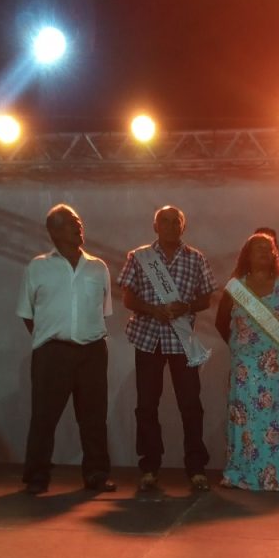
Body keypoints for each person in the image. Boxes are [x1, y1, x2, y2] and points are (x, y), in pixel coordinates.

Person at [17, 204, 115, 495]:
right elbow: (27, 313)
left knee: (94, 418)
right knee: (44, 418)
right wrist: (51, 337)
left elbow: (104, 310)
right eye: (72, 221)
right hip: (52, 353)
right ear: (54, 230)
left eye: (79, 221)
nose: (79, 225)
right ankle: (37, 477)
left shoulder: (98, 267)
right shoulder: (38, 267)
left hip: (92, 352)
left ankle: (96, 474)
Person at [118, 205, 217, 493]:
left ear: (183, 227)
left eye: (177, 222)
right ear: (155, 226)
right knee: (147, 405)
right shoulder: (140, 257)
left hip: (181, 341)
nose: (171, 226)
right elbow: (127, 298)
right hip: (148, 339)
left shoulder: (196, 258)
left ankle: (196, 467)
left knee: (191, 405)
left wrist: (186, 306)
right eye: (165, 221)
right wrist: (152, 309)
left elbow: (206, 298)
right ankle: (149, 467)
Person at [215, 232, 279, 492]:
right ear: (247, 255)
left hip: (275, 366)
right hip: (245, 366)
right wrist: (241, 346)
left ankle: (275, 476)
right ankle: (239, 474)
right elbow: (221, 322)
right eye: (259, 248)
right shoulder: (235, 286)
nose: (265, 252)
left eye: (269, 248)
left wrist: (275, 345)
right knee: (244, 418)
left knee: (275, 418)